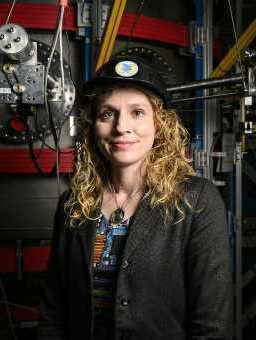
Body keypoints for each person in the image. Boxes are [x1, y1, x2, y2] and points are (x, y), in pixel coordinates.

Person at [38, 54, 233, 340]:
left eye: (137, 112)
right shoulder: (73, 205)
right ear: (93, 127)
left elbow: (212, 325)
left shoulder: (197, 200)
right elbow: (53, 313)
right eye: (107, 113)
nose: (121, 127)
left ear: (159, 124)